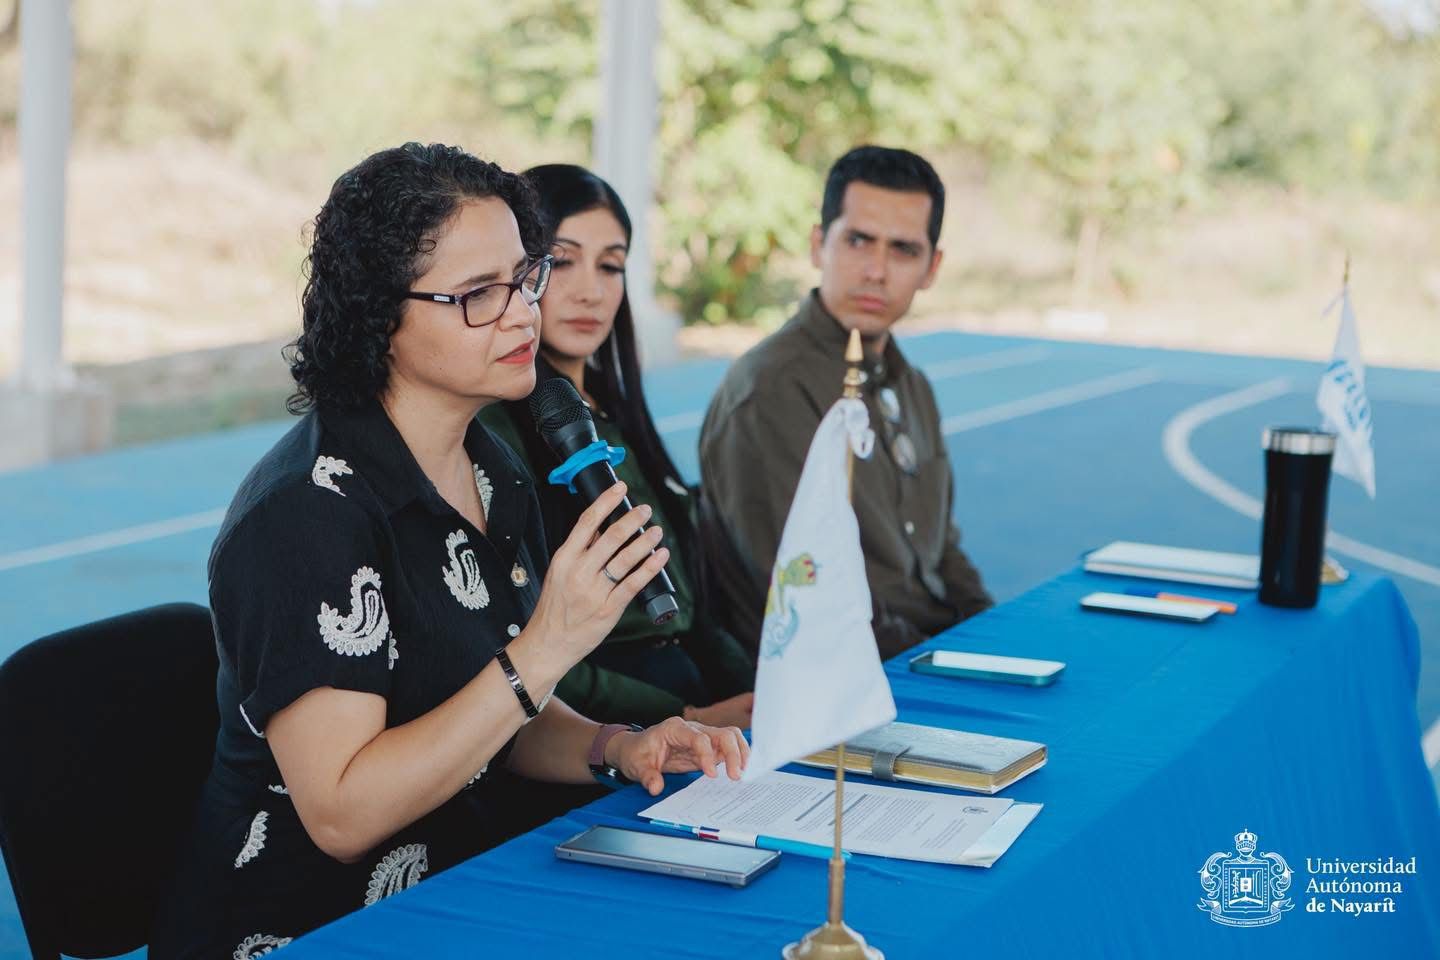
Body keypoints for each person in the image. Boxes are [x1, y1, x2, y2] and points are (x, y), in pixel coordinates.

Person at [151, 143, 747, 960]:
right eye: (477, 295)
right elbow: (343, 814)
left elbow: (495, 719)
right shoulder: (303, 516)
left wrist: (614, 744)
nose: (522, 312)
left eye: (523, 275)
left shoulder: (490, 465)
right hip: (309, 924)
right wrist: (545, 649)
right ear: (378, 314)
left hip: (460, 879)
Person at [478, 163, 754, 730]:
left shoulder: (614, 414)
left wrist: (751, 690)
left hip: (691, 694)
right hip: (599, 724)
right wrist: (683, 717)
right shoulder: (495, 430)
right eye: (562, 260)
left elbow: (691, 610)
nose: (590, 290)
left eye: (611, 266)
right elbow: (529, 647)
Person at [698, 145, 992, 659]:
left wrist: (997, 635)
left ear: (932, 267)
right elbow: (803, 594)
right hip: (847, 681)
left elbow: (940, 552)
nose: (876, 270)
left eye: (903, 249)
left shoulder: (911, 384)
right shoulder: (771, 391)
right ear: (819, 246)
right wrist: (948, 665)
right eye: (858, 240)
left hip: (923, 650)